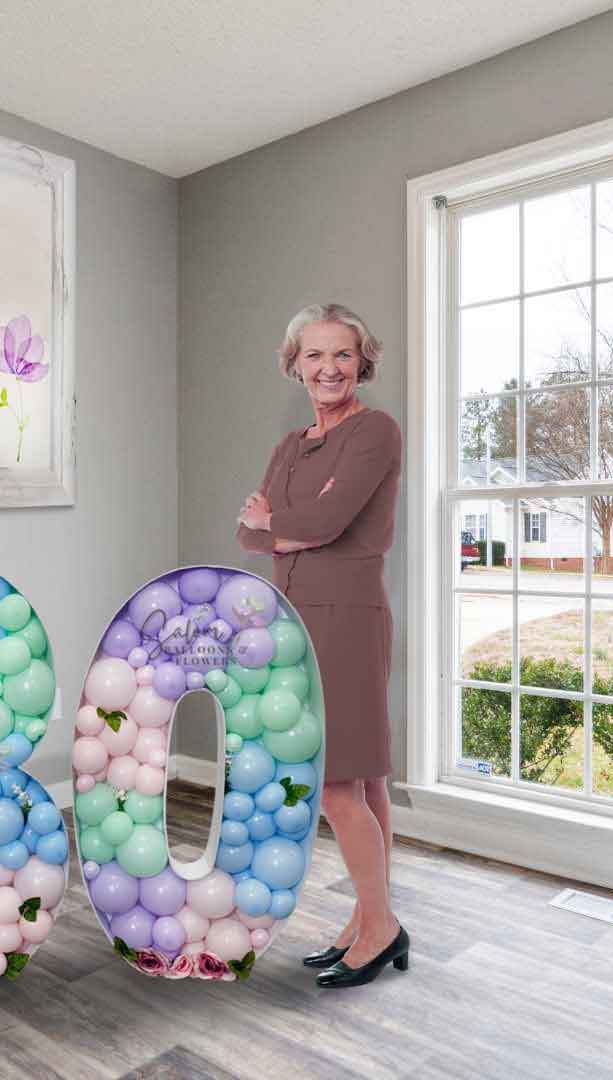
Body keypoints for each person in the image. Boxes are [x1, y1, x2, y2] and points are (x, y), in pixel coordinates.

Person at [236, 302, 408, 989]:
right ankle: (373, 919)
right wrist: (276, 527)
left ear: (361, 362)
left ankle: (381, 926)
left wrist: (280, 524)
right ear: (294, 364)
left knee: (339, 780)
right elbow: (252, 531)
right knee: (363, 780)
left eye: (342, 355)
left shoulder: (376, 432)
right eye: (314, 355)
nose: (328, 368)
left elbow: (329, 521)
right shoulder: (290, 445)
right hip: (292, 616)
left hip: (348, 616)